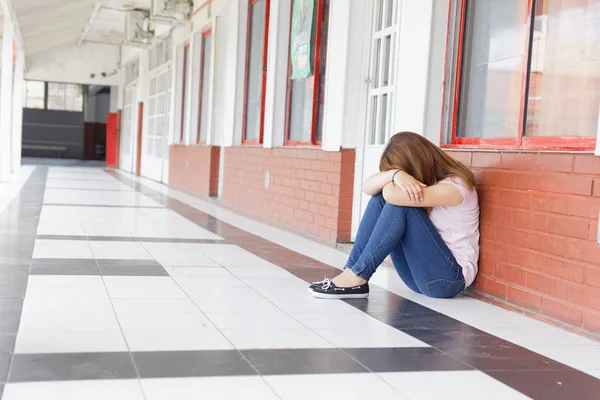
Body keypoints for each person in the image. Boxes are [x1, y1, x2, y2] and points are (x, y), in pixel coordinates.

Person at [309, 131, 479, 299]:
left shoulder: (456, 186)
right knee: (379, 198)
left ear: (415, 167)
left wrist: (392, 180)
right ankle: (351, 271)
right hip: (418, 277)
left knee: (400, 205)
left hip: (448, 280)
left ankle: (359, 276)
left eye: (404, 172)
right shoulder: (429, 185)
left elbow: (391, 195)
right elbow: (367, 187)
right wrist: (394, 175)